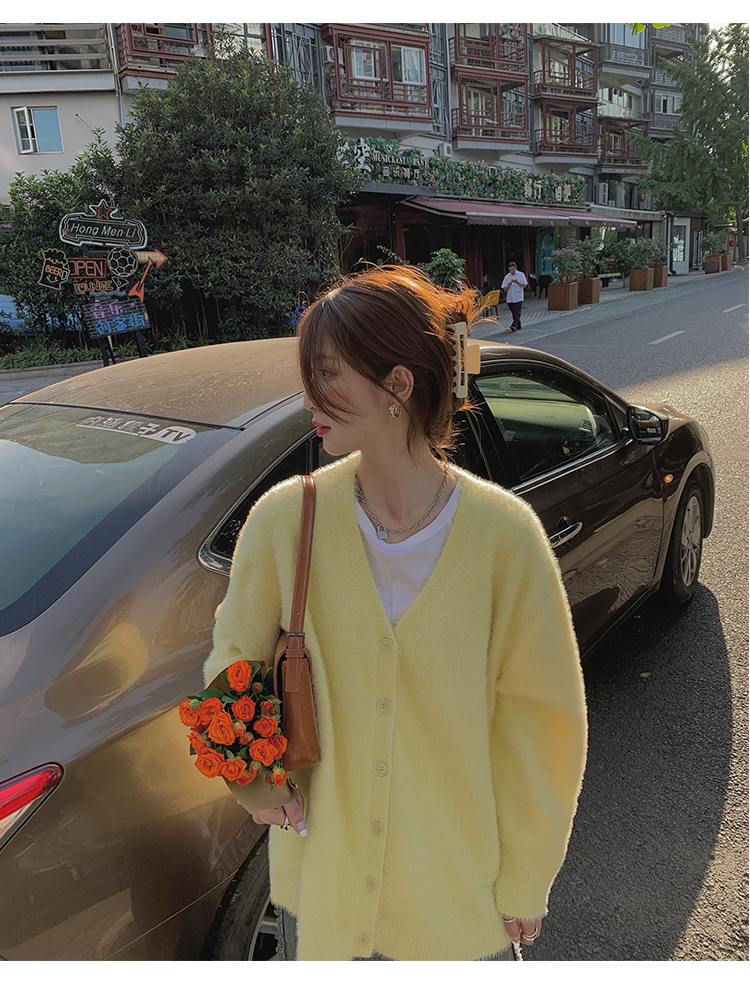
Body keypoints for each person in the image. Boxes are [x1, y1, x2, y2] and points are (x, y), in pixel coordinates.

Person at [201, 265, 588, 962]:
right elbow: (232, 664)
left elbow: (543, 724)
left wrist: (527, 875)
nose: (309, 397)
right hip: (326, 897)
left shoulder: (505, 538)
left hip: (458, 905)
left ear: (399, 385)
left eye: (327, 374)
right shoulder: (286, 521)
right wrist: (253, 783)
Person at [501, 261, 528, 332]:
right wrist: (509, 285)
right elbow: (505, 288)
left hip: (518, 297)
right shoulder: (507, 277)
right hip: (510, 298)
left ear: (516, 268)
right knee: (513, 312)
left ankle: (514, 325)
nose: (512, 272)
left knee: (517, 312)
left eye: (513, 270)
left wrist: (517, 282)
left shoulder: (521, 275)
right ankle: (518, 325)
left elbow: (524, 285)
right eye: (510, 270)